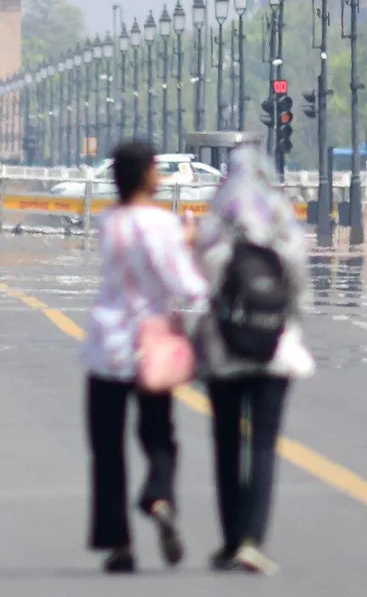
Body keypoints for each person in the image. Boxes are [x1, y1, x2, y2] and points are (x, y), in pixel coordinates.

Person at [80, 140, 208, 573]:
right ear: (147, 175)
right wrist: (188, 244)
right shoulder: (162, 225)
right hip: (151, 345)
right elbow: (185, 284)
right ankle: (157, 495)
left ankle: (118, 543)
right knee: (158, 435)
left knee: (107, 446)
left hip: (106, 346)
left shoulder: (108, 222)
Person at [192, 145, 315, 575]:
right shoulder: (280, 214)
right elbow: (297, 273)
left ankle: (229, 540)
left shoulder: (218, 216)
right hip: (274, 344)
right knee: (263, 443)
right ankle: (252, 538)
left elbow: (202, 276)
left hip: (226, 346)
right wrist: (288, 318)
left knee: (227, 443)